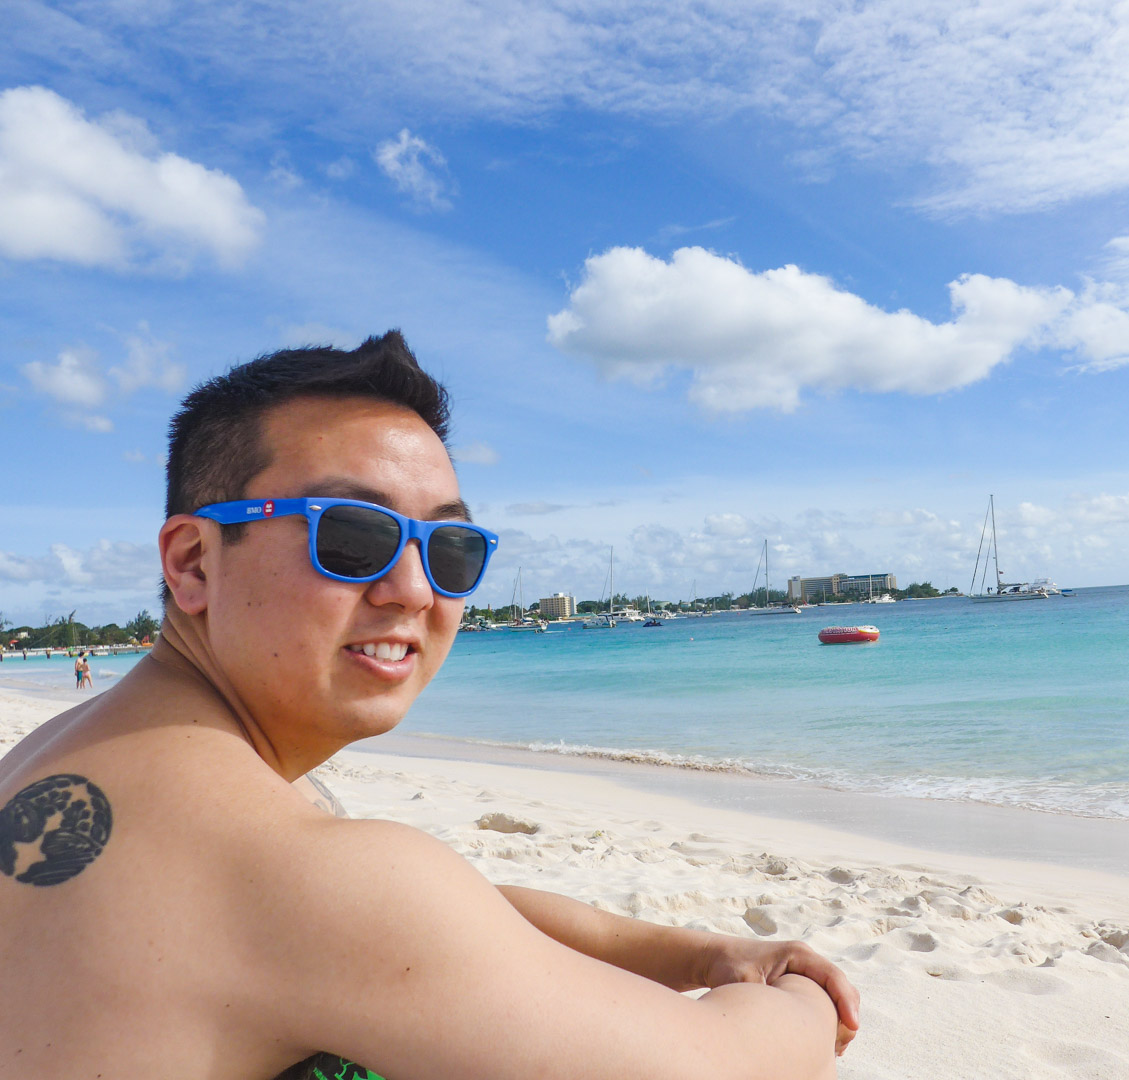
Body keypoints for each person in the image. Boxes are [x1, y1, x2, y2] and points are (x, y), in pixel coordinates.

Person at [0, 331, 857, 1080]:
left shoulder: (68, 754)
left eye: (449, 548)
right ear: (193, 561)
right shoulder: (288, 872)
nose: (413, 589)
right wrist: (807, 999)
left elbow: (451, 916)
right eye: (351, 536)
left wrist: (707, 953)